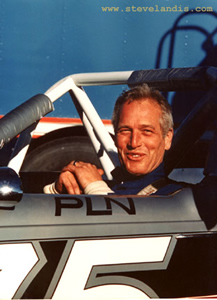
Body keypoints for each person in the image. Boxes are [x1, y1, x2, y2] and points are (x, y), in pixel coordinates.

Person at [44, 83, 185, 195]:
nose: (134, 142)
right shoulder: (108, 187)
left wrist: (95, 187)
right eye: (125, 131)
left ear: (167, 138)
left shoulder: (178, 197)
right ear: (115, 136)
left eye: (146, 131)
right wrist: (57, 190)